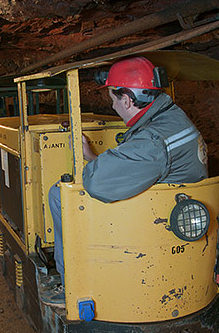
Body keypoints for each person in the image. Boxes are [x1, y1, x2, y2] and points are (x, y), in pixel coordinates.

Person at [42, 56, 209, 306]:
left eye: (113, 99)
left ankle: (70, 285)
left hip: (153, 226)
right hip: (175, 208)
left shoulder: (152, 141)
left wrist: (91, 164)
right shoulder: (172, 117)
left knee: (59, 194)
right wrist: (93, 157)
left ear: (128, 100)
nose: (113, 107)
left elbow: (98, 183)